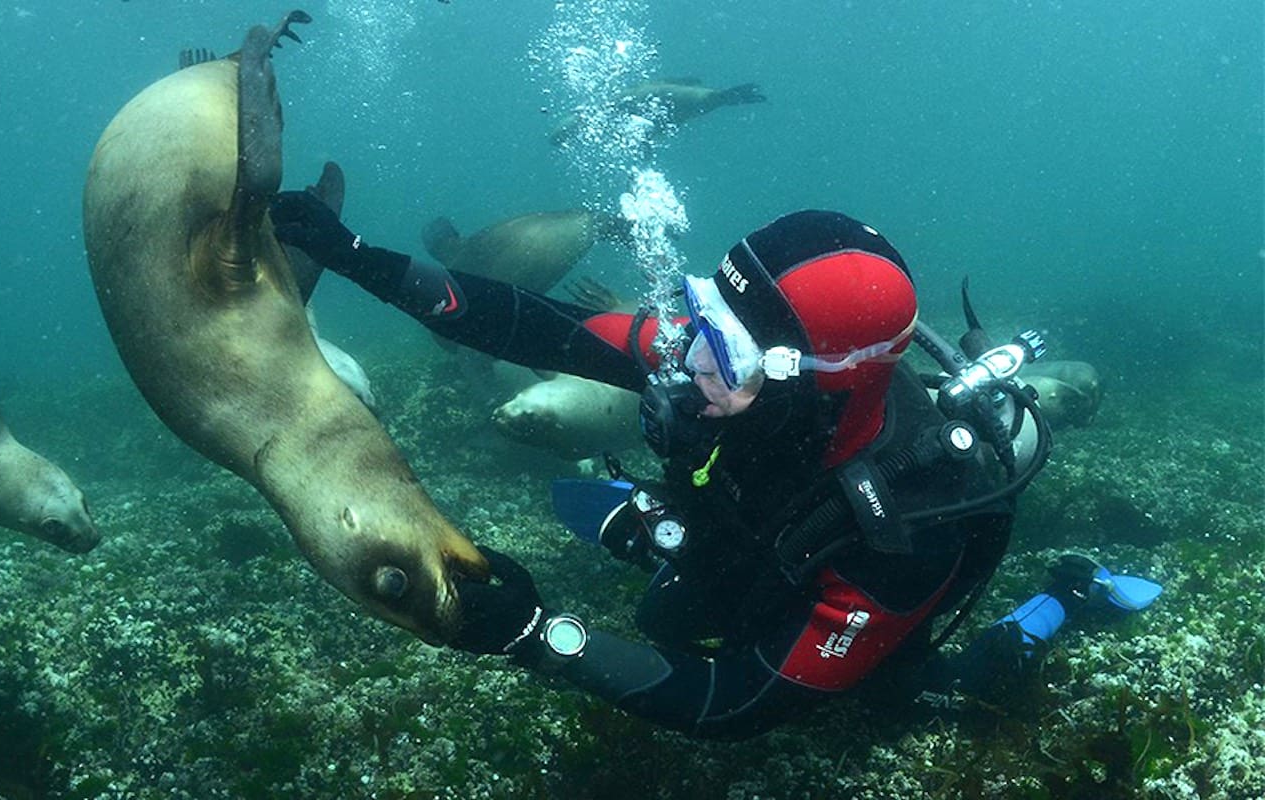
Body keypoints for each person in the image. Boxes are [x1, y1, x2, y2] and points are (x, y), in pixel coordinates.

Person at [270, 193, 1160, 739]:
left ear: (807, 383)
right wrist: (356, 259)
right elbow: (527, 322)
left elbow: (735, 710)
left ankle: (1065, 602)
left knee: (911, 701)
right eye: (701, 319)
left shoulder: (902, 533)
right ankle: (675, 536)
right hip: (766, 529)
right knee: (669, 607)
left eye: (725, 350)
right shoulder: (726, 369)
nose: (685, 356)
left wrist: (532, 636)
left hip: (844, 575)